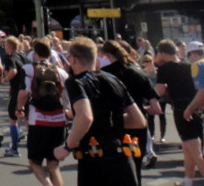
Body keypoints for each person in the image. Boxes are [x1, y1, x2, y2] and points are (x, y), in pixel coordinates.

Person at [53, 36, 145, 186]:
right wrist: (111, 123)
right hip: (122, 157)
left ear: (74, 60)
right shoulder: (114, 80)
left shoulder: (76, 82)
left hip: (94, 159)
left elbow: (85, 117)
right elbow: (139, 121)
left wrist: (67, 146)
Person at [99, 39, 162, 183]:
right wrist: (140, 110)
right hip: (137, 127)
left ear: (108, 55)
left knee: (115, 171)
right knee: (135, 168)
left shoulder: (104, 74)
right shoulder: (139, 73)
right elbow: (156, 108)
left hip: (113, 127)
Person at [16, 37, 69, 186]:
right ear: (51, 54)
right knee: (53, 165)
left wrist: (19, 109)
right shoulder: (61, 73)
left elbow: (23, 93)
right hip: (59, 121)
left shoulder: (28, 69)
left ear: (35, 53)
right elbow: (66, 98)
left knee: (34, 162)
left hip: (38, 120)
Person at [156, 39, 204, 186]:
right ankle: (188, 182)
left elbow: (160, 90)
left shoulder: (164, 69)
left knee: (194, 150)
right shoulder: (188, 65)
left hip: (181, 109)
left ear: (163, 53)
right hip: (195, 105)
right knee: (187, 148)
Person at [2, 35, 28, 157]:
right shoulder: (24, 56)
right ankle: (32, 145)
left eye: (5, 45)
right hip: (28, 90)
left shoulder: (10, 57)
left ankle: (14, 148)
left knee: (13, 119)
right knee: (28, 119)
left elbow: (13, 71)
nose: (4, 47)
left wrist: (5, 79)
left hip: (17, 91)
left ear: (10, 47)